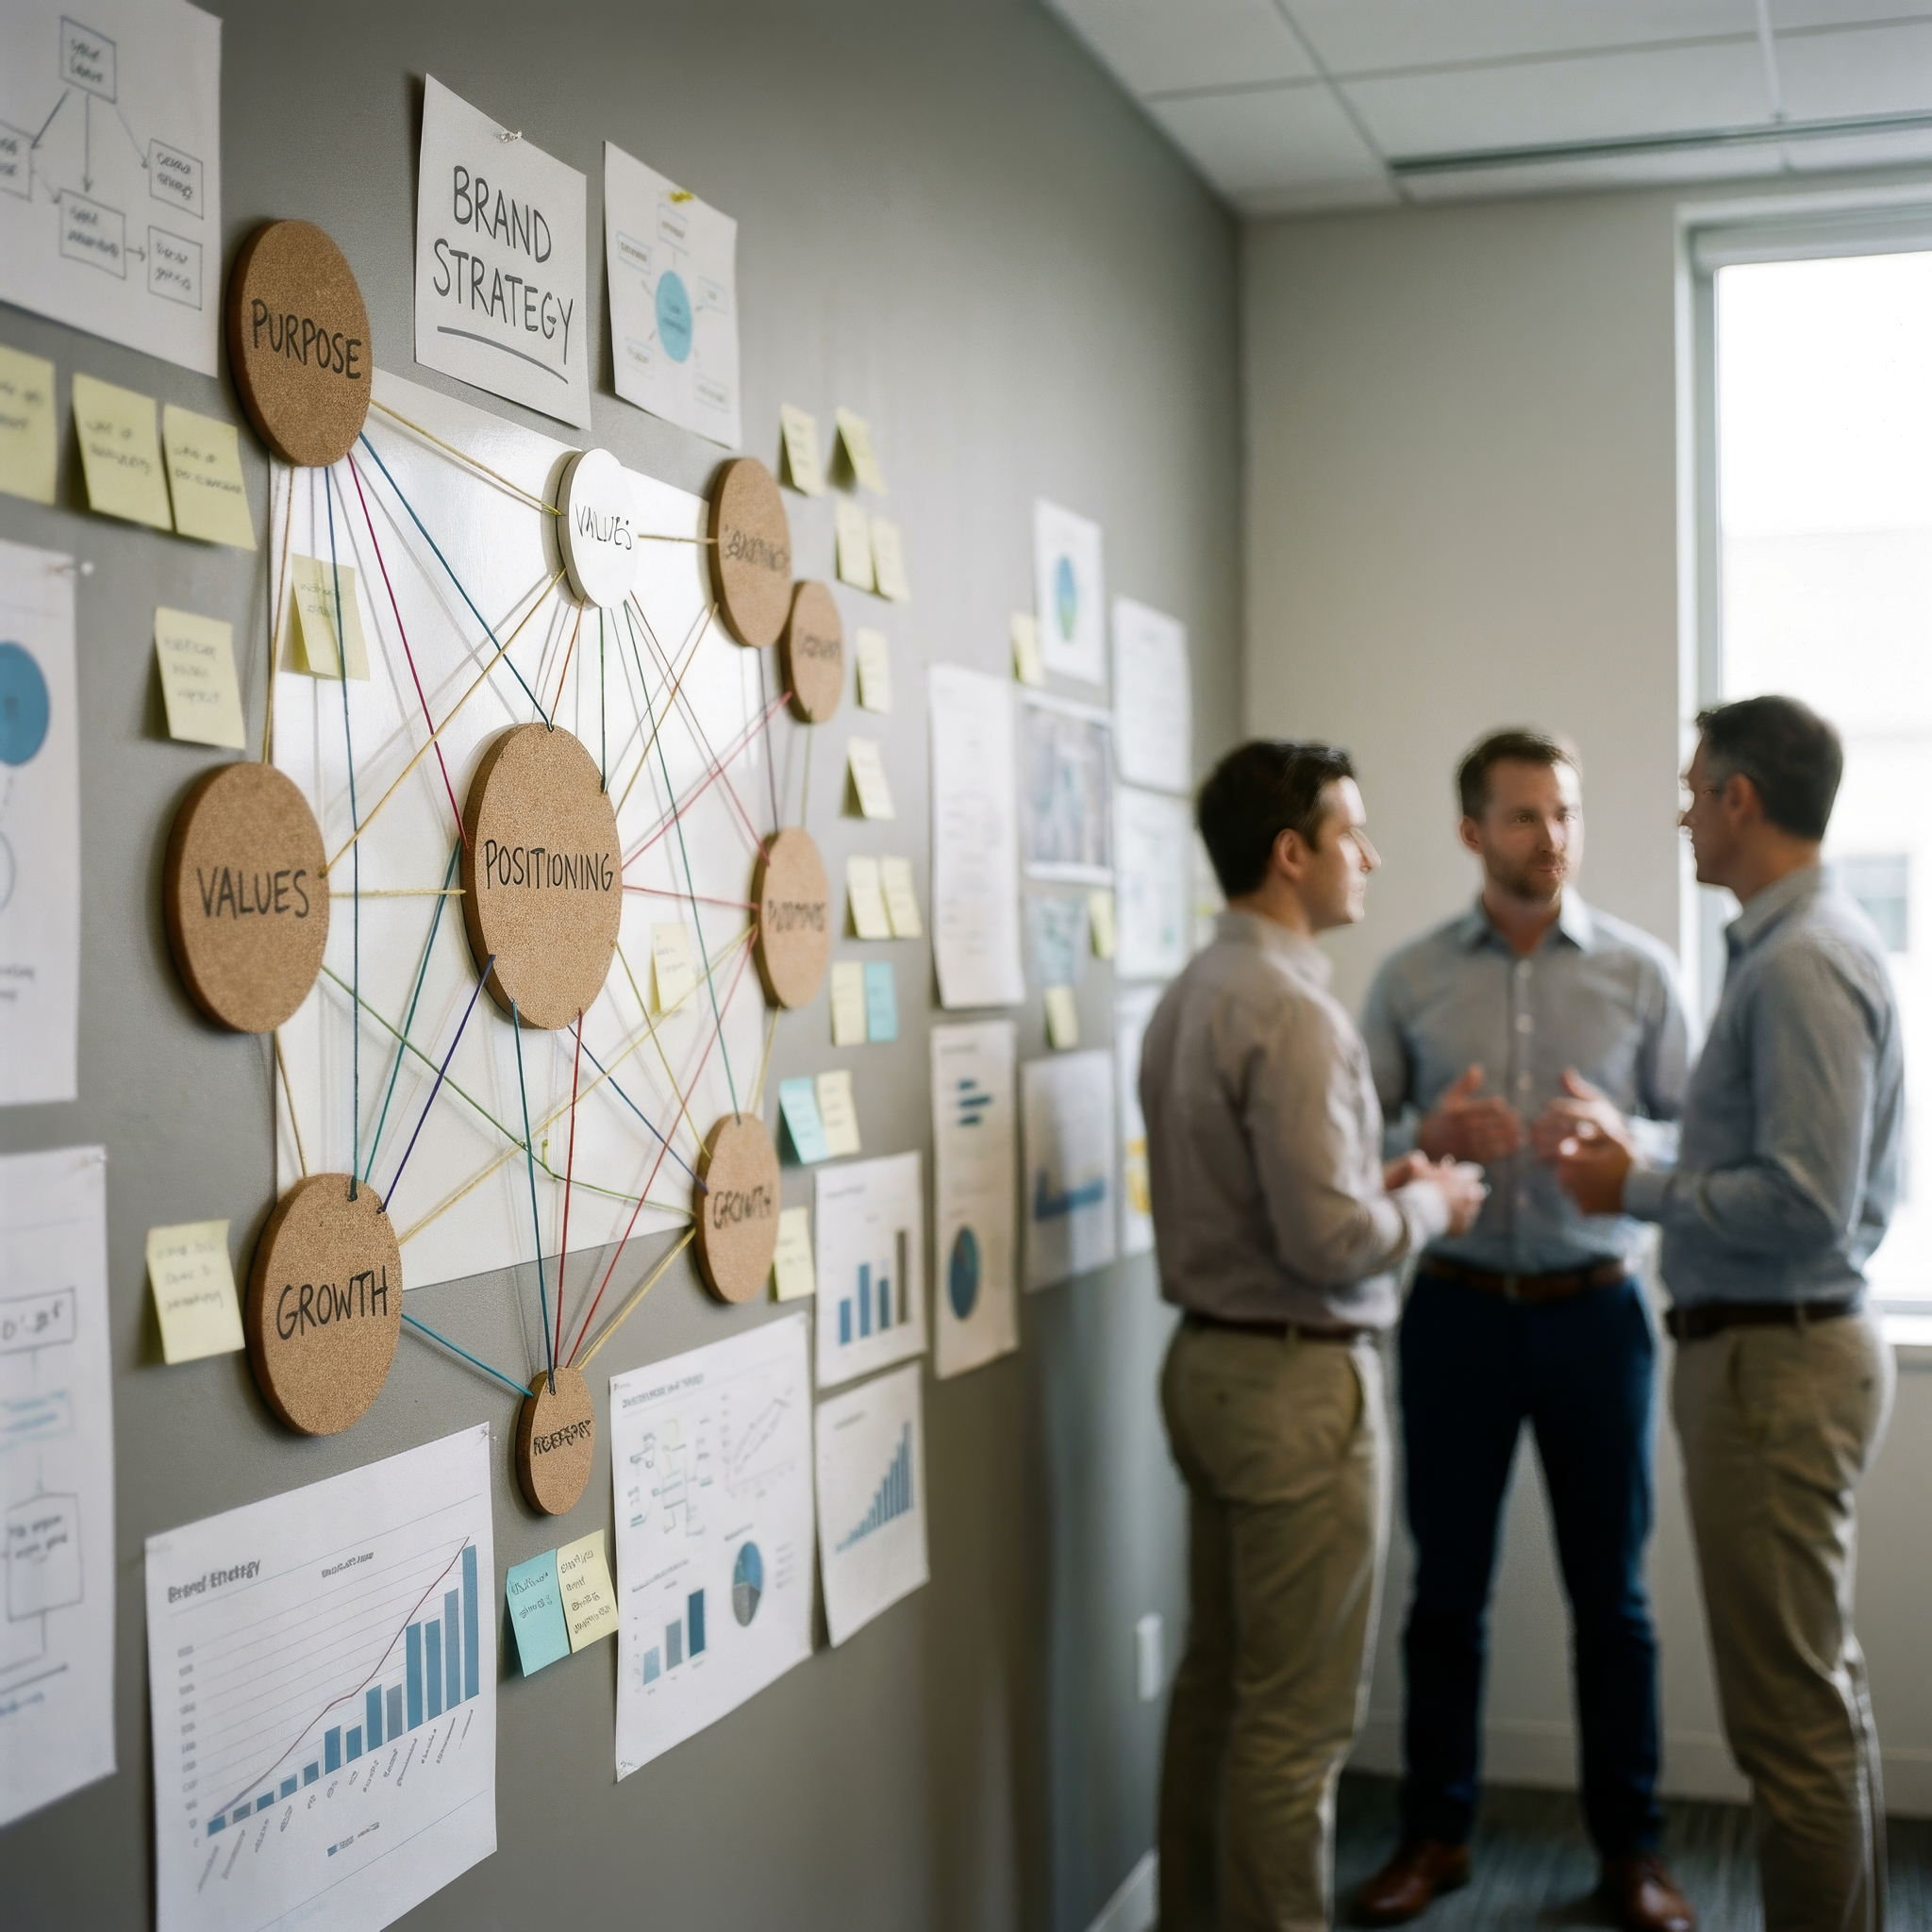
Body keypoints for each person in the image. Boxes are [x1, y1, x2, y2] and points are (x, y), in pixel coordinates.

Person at [1557, 696, 1900, 1932]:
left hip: (1776, 1366)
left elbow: (1804, 1203)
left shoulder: (1802, 961)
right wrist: (1638, 1145)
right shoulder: (1791, 945)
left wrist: (1633, 1186)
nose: (1683, 813)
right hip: (1775, 1358)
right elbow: (1763, 1155)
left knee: (1788, 1729)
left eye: (1696, 788)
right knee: (1815, 1706)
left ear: (1742, 801)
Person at [1354, 731, 1696, 1932]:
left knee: (1614, 1600)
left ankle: (1632, 1851)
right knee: (1444, 1591)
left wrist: (1627, 1138)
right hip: (1450, 1314)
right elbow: (1360, 1138)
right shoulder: (1404, 979)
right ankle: (1434, 1835)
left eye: (1562, 813)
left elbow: (1696, 1138)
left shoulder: (1643, 975)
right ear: (1469, 832)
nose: (1548, 837)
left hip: (1594, 1316)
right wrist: (1425, 1128)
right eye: (1520, 816)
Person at [1143, 739, 1486, 1932]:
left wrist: (1368, 1178)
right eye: (1351, 833)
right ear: (1289, 854)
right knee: (1293, 1730)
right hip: (1294, 1389)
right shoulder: (1295, 1010)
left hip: (1204, 1366)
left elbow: (1272, 1195)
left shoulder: (1192, 989)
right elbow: (1330, 1242)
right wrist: (1428, 1204)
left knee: (1215, 1696)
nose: (1371, 857)